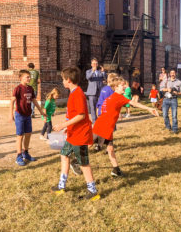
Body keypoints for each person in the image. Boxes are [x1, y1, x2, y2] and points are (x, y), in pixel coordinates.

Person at [93, 77, 159, 176]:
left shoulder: (112, 97)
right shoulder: (119, 97)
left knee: (110, 148)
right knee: (87, 143)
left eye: (125, 85)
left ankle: (116, 170)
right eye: (122, 85)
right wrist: (149, 109)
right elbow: (134, 104)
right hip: (103, 126)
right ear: (115, 87)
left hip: (107, 126)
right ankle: (76, 160)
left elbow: (104, 110)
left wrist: (115, 113)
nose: (125, 87)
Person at [52, 67, 100, 201]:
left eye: (63, 79)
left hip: (80, 136)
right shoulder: (73, 93)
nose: (62, 81)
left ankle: (93, 191)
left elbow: (81, 115)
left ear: (68, 80)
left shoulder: (78, 93)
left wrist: (63, 125)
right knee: (64, 155)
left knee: (84, 164)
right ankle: (61, 185)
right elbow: (75, 115)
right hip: (73, 134)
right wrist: (69, 127)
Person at [9, 70, 46, 166]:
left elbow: (34, 100)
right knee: (20, 135)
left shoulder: (30, 88)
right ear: (20, 78)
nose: (29, 78)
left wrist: (41, 111)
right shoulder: (18, 88)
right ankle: (18, 155)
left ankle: (26, 152)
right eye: (27, 77)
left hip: (28, 115)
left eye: (29, 77)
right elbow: (12, 101)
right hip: (19, 115)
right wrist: (10, 114)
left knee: (28, 134)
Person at [160, 69, 181, 134]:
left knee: (174, 116)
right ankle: (168, 127)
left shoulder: (179, 82)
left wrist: (177, 93)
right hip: (166, 99)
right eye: (171, 73)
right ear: (169, 74)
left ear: (175, 73)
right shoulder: (165, 81)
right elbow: (161, 89)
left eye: (174, 73)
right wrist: (167, 89)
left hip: (174, 99)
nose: (172, 74)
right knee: (164, 115)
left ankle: (175, 129)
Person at [85, 58, 106, 123]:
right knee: (93, 107)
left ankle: (102, 119)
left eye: (96, 63)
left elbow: (106, 78)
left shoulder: (100, 72)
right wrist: (93, 71)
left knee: (101, 106)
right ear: (91, 64)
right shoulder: (88, 71)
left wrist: (103, 72)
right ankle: (94, 121)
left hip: (100, 92)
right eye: (94, 63)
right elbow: (88, 77)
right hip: (92, 92)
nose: (95, 65)